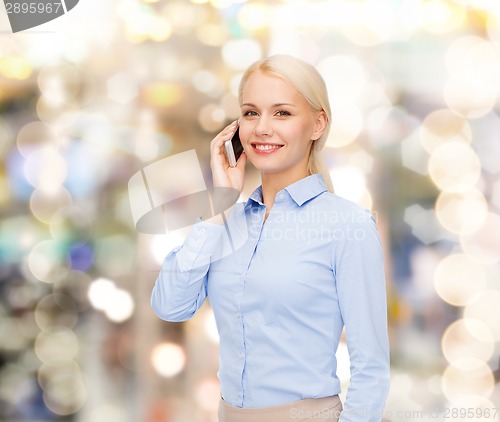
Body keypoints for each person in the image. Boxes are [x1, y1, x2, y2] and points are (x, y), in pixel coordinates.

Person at [151, 54, 390, 422]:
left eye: (282, 113)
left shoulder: (348, 226)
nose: (262, 128)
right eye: (250, 113)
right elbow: (169, 305)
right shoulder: (227, 221)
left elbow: (371, 370)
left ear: (317, 124)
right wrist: (220, 205)